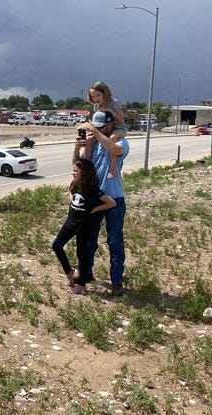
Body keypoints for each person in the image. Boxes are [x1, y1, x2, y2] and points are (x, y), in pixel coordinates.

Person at [75, 110, 129, 296]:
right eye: (94, 127)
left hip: (115, 198)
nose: (96, 131)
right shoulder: (93, 144)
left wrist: (95, 132)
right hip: (94, 198)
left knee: (114, 241)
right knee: (88, 239)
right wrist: (80, 145)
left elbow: (115, 150)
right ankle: (85, 272)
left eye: (100, 128)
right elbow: (79, 164)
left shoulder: (120, 141)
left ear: (110, 125)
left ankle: (117, 281)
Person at [52, 159, 115, 294]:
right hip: (70, 223)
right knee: (56, 245)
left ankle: (81, 285)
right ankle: (70, 273)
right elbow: (70, 190)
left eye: (75, 171)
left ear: (84, 172)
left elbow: (111, 203)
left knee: (82, 254)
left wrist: (94, 210)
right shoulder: (75, 184)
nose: (73, 173)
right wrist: (72, 200)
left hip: (83, 226)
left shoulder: (93, 190)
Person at [86, 81, 126, 178]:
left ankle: (112, 167)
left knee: (112, 138)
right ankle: (86, 166)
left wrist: (110, 111)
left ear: (105, 93)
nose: (96, 99)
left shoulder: (114, 102)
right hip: (103, 129)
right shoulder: (96, 106)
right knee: (88, 139)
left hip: (118, 128)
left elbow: (121, 120)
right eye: (93, 97)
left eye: (98, 95)